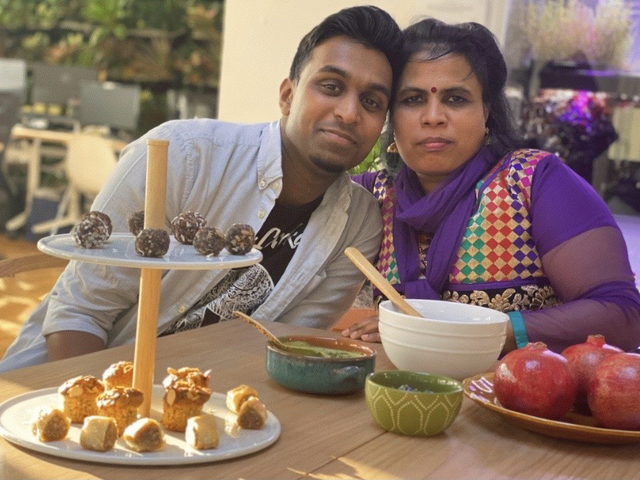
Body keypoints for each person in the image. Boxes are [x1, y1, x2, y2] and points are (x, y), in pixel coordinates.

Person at [0, 5, 403, 372]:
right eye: (331, 86)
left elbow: (281, 347)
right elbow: (82, 311)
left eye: (371, 102)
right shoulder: (181, 156)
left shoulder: (358, 227)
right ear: (288, 95)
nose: (349, 112)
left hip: (201, 419)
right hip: (51, 391)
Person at [343, 18, 640, 354]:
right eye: (412, 99)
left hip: (515, 400)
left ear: (486, 113)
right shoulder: (372, 196)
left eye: (455, 99)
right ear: (390, 117)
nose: (433, 116)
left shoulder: (533, 182)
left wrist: (472, 333)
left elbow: (622, 316)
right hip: (401, 397)